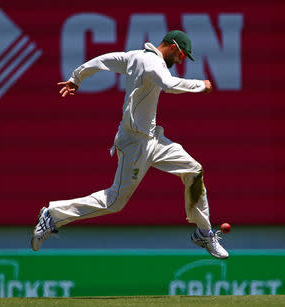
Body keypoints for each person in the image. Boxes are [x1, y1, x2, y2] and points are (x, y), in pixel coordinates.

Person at [31, 30, 229, 259]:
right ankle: (53, 215)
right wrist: (202, 85)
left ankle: (204, 233)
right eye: (182, 56)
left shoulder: (134, 56)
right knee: (114, 201)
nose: (180, 61)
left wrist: (77, 78)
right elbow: (169, 84)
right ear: (173, 47)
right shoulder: (152, 63)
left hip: (153, 138)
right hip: (135, 143)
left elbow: (101, 61)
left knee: (193, 170)